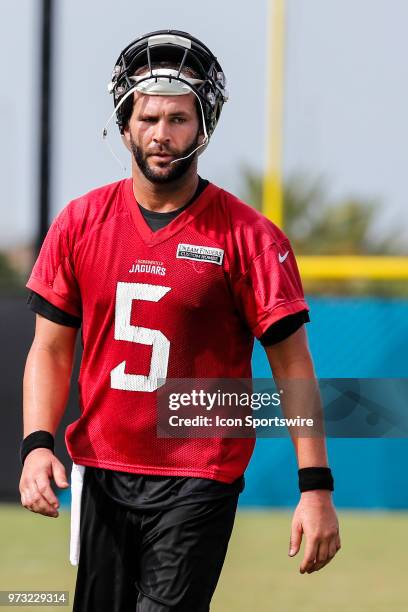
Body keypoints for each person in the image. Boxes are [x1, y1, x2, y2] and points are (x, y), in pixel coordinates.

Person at [19, 29, 340, 612]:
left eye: (178, 118)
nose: (161, 134)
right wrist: (38, 443)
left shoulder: (249, 237)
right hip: (103, 469)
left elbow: (293, 365)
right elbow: (50, 349)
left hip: (200, 473)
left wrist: (315, 486)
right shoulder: (80, 222)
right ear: (125, 123)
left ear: (204, 125)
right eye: (148, 118)